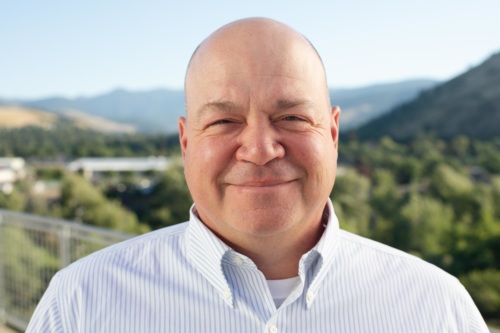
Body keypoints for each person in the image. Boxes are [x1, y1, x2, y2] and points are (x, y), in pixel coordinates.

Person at [27, 17, 488, 332]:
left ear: (332, 132)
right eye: (224, 121)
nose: (260, 149)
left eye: (291, 117)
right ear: (187, 143)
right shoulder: (81, 305)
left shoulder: (435, 308)